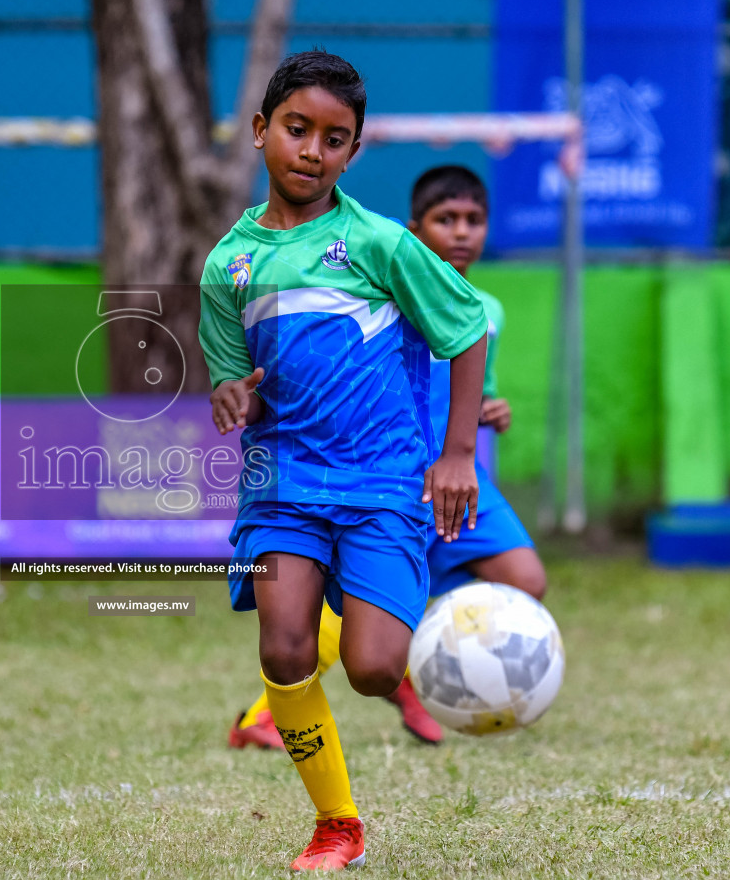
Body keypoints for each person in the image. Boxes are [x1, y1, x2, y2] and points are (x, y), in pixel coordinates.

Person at [199, 51, 489, 873]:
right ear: (261, 131)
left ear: (353, 153)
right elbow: (231, 379)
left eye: (335, 138)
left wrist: (457, 453)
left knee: (371, 669)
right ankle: (337, 828)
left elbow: (466, 329)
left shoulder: (378, 243)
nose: (312, 150)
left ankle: (385, 614)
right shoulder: (228, 265)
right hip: (282, 483)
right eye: (297, 129)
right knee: (284, 650)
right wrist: (230, 397)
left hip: (383, 482)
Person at [227, 164, 548, 752]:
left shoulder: (488, 310)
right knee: (356, 607)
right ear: (414, 229)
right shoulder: (383, 283)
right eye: (446, 220)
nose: (461, 233)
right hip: (394, 471)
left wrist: (488, 411)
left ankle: (440, 678)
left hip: (461, 471)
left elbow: (472, 374)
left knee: (524, 578)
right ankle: (267, 712)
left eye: (474, 221)